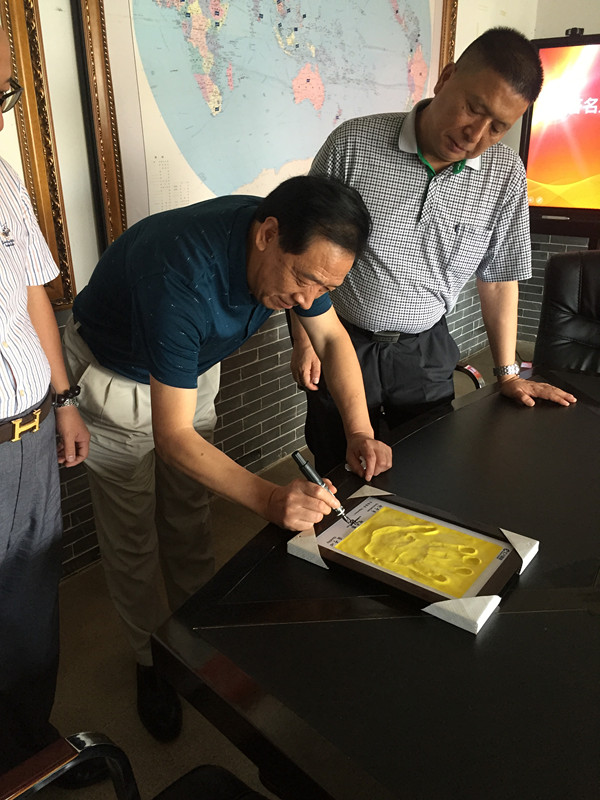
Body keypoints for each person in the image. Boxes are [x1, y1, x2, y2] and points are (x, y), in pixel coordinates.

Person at [62, 174, 392, 742]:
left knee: (189, 515)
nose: (307, 301)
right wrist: (269, 497)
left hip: (188, 368)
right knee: (132, 537)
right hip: (117, 376)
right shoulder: (178, 274)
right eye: (303, 281)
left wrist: (359, 430)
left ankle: (194, 635)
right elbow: (173, 437)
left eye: (323, 287)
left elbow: (332, 339)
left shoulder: (301, 243)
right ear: (267, 235)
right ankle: (150, 659)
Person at [289, 27, 577, 476]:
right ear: (445, 79)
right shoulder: (352, 144)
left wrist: (507, 373)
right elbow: (302, 255)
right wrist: (306, 339)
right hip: (341, 337)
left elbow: (499, 278)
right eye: (473, 108)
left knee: (427, 469)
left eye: (498, 127)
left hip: (424, 351)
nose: (475, 135)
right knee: (337, 466)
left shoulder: (505, 175)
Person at [0, 26, 107, 788]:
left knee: (32, 615)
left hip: (32, 432)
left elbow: (36, 291)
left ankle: (28, 752)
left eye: (1, 94)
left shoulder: (3, 175)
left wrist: (65, 398)